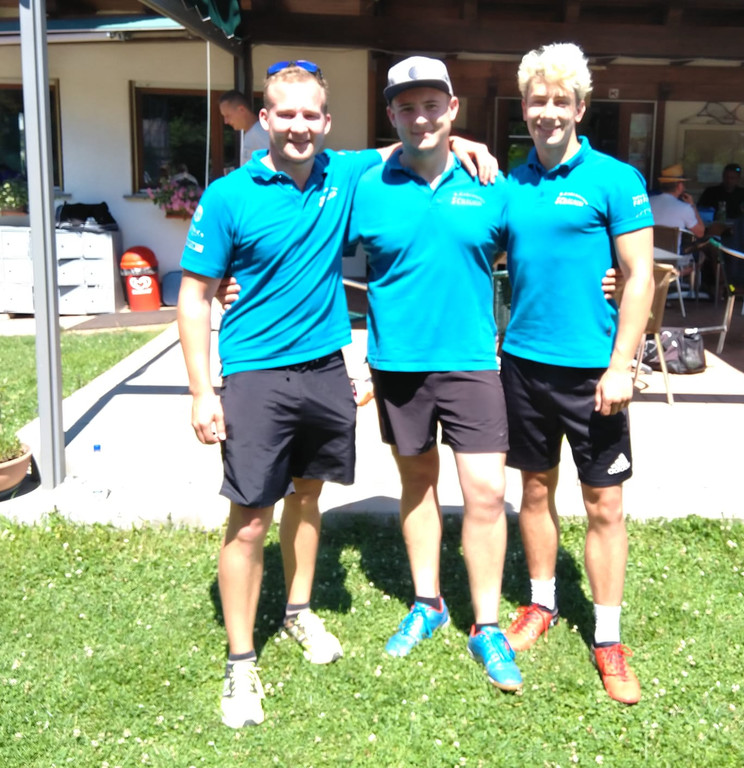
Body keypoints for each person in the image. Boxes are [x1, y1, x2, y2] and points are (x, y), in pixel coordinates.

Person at [179, 61, 495, 729]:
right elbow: (195, 295)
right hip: (255, 372)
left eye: (310, 115)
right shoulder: (229, 195)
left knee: (307, 496)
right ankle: (240, 661)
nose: (298, 126)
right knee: (250, 518)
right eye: (285, 114)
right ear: (265, 119)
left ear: (326, 122)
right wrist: (202, 391)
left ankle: (296, 611)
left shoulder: (342, 173)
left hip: (325, 368)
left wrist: (464, 141)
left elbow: (412, 143)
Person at [349, 56, 522, 693]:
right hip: (398, 365)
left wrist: (608, 279)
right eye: (406, 107)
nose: (420, 117)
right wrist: (233, 281)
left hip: (473, 363)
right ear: (391, 114)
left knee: (485, 493)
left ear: (453, 109)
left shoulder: (491, 184)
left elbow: (541, 249)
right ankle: (429, 602)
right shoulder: (365, 184)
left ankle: (487, 624)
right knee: (417, 482)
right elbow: (304, 239)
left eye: (432, 106)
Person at [500, 43, 654, 706]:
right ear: (525, 107)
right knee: (534, 492)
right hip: (523, 365)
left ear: (580, 108)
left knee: (604, 504)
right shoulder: (509, 183)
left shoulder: (615, 179)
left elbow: (641, 276)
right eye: (538, 100)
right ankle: (542, 602)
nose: (548, 112)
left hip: (595, 372)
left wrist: (622, 364)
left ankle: (609, 637)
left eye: (560, 100)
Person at [649, 163, 705, 241]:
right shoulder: (685, 208)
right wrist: (693, 206)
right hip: (671, 249)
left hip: (648, 248)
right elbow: (700, 233)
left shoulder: (648, 202)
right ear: (679, 186)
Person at [218, 89, 269, 165]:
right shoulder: (251, 133)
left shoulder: (261, 132)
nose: (226, 121)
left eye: (228, 116)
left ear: (241, 110)